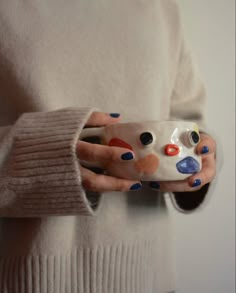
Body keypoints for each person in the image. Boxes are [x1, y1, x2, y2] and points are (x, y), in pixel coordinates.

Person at [0, 0, 216, 292]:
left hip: (150, 277)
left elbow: (191, 124)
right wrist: (45, 157)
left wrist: (199, 161)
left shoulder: (161, 6)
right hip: (25, 277)